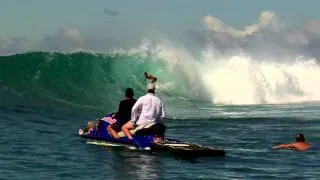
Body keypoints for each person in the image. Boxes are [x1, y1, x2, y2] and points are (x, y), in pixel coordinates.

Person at [121, 73, 165, 140]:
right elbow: (163, 115)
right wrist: (157, 122)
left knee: (124, 127)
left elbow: (134, 109)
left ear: (147, 90)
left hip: (141, 124)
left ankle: (131, 139)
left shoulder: (142, 98)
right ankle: (158, 138)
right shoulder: (159, 100)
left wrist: (133, 121)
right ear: (154, 91)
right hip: (154, 124)